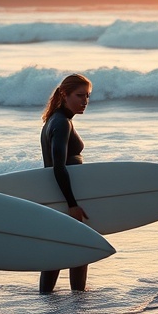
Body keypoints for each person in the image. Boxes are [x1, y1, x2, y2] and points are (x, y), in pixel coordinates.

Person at [39, 74, 92, 293]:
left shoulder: (57, 120)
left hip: (60, 195)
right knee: (81, 249)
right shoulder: (61, 123)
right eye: (79, 96)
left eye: (87, 96)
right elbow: (58, 165)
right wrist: (71, 203)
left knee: (59, 251)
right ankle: (77, 303)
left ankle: (49, 302)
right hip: (66, 197)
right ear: (64, 94)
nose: (85, 101)